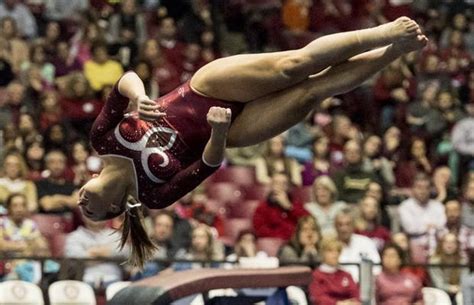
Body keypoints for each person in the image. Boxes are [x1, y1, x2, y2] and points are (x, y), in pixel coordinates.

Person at [78, 18, 428, 267]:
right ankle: (393, 52)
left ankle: (382, 31)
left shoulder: (102, 140)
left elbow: (125, 80)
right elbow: (207, 165)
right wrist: (217, 132)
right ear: (114, 210)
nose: (82, 203)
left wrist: (138, 97)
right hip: (232, 130)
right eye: (88, 212)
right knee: (311, 92)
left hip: (206, 88)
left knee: (294, 66)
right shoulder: (153, 195)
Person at [309, 238, 360, 305]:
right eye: (330, 251)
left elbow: (356, 294)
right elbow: (318, 298)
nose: (335, 254)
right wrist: (338, 303)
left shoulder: (346, 274)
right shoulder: (316, 275)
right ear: (322, 253)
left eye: (338, 251)